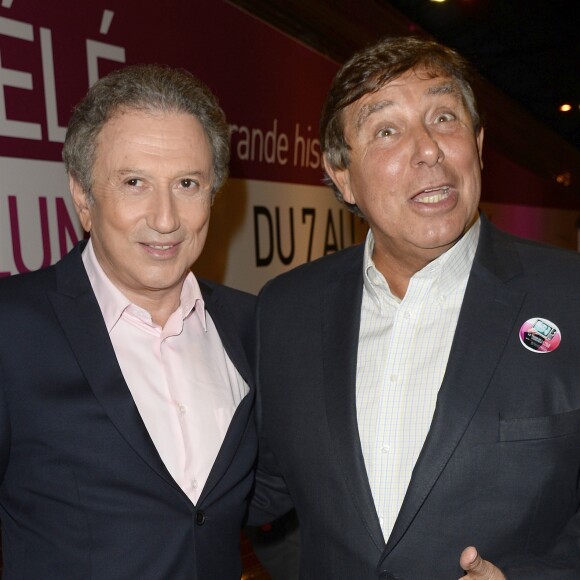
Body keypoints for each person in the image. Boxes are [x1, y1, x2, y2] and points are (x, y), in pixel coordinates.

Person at [251, 36, 580, 579]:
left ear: (476, 144)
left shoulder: (568, 295)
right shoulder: (285, 312)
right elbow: (258, 494)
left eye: (444, 118)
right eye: (386, 130)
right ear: (342, 175)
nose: (428, 149)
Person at [0, 64, 256, 579]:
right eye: (135, 182)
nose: (165, 219)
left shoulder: (252, 325)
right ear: (82, 195)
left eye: (187, 183)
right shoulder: (11, 328)